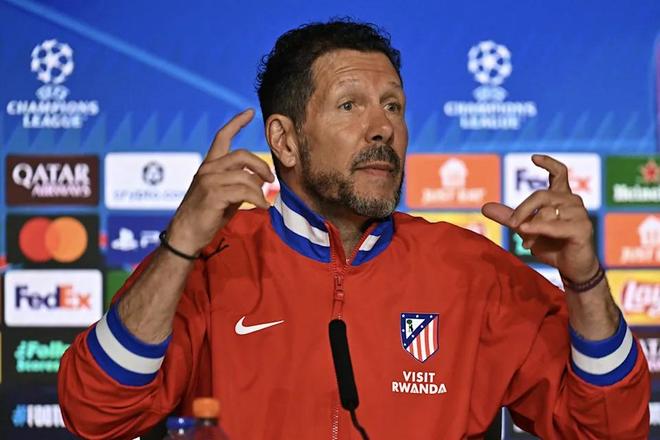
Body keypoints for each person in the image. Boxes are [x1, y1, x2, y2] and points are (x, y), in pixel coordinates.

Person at [58, 19, 650, 439]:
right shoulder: (211, 261)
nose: (381, 128)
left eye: (393, 106)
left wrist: (585, 279)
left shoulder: (470, 269)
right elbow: (97, 412)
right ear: (284, 140)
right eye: (350, 105)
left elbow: (607, 427)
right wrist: (181, 244)